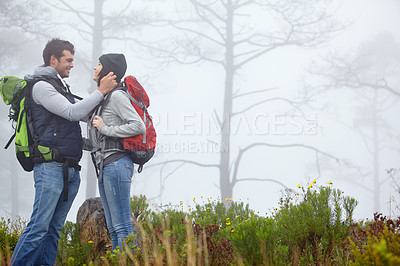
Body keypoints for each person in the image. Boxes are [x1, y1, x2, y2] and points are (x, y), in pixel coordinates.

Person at [11, 38, 118, 266]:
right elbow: (72, 112)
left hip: (68, 170)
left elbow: (67, 127)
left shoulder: (58, 86)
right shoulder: (41, 87)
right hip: (50, 169)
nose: (72, 64)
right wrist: (101, 91)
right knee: (39, 228)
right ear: (53, 59)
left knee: (53, 231)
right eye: (68, 60)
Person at [88, 53, 145, 250]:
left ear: (107, 71)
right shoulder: (103, 99)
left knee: (121, 227)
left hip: (117, 164)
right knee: (113, 228)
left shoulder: (117, 96)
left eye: (98, 64)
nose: (95, 68)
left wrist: (106, 129)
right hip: (106, 167)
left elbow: (138, 126)